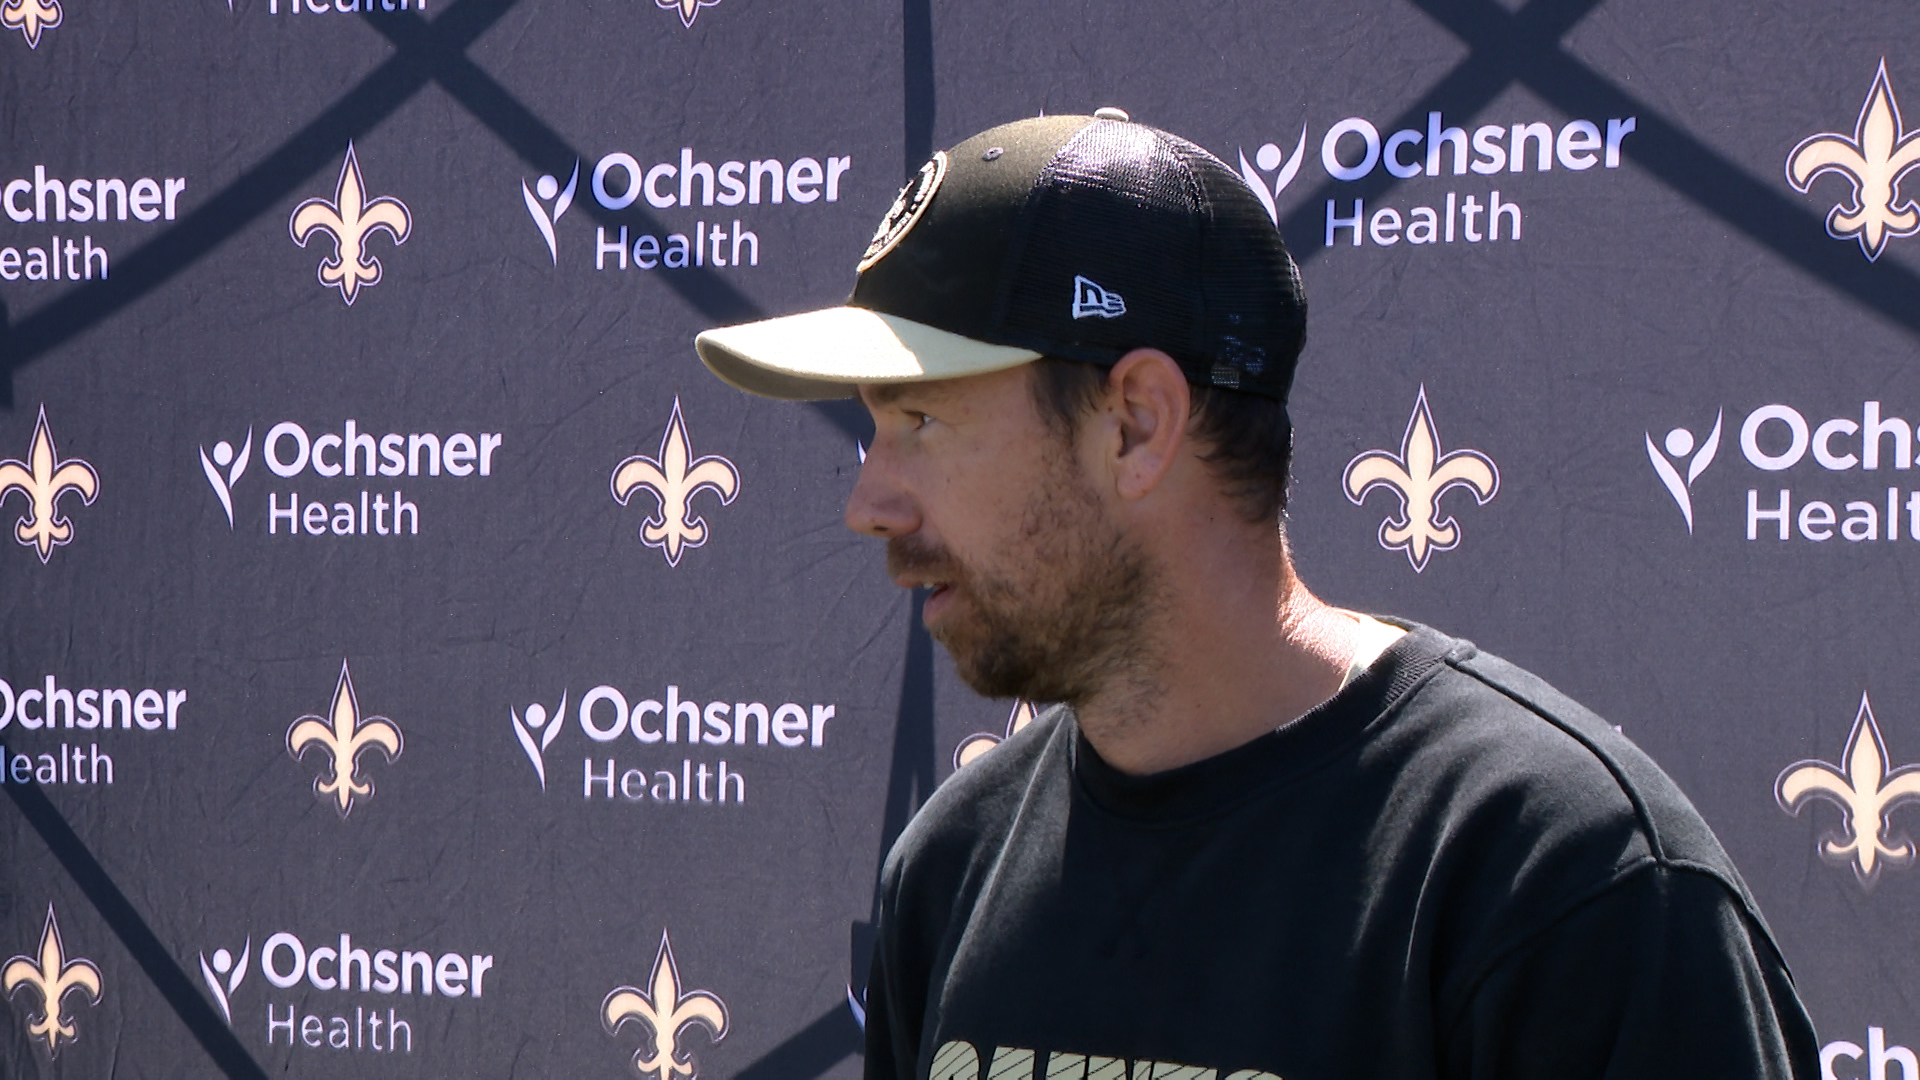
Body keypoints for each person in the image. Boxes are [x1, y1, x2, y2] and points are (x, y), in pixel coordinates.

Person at [694, 110, 1819, 1080]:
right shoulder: (953, 865)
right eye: (872, 429)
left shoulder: (1555, 877)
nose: (869, 502)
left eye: (922, 420)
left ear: (1136, 424)